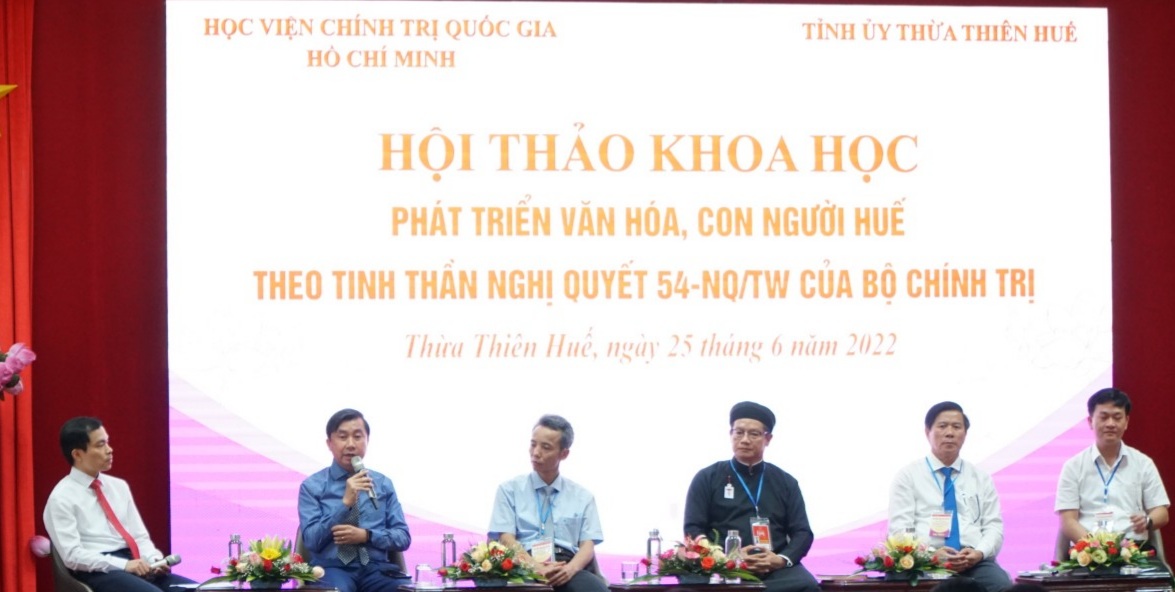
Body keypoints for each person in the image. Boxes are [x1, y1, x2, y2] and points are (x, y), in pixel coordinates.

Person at [43, 416, 196, 592]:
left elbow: (139, 536)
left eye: (107, 442)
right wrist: (123, 565)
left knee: (198, 589)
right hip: (98, 569)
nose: (109, 450)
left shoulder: (118, 486)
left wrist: (153, 560)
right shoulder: (61, 498)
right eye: (100, 445)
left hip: (134, 562)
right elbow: (72, 556)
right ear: (77, 454)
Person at [683, 401, 819, 592]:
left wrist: (780, 559)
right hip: (720, 566)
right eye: (739, 432)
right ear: (730, 434)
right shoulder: (707, 477)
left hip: (773, 568)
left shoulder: (786, 482)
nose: (745, 440)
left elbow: (802, 532)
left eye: (754, 434)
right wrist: (724, 559)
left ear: (768, 439)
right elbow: (693, 528)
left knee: (806, 586)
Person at [888, 401, 1011, 592]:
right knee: (899, 581)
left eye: (956, 427)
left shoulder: (981, 478)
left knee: (1001, 585)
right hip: (924, 561)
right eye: (942, 426)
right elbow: (901, 529)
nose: (950, 433)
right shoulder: (908, 476)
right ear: (927, 432)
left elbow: (993, 526)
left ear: (965, 434)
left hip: (972, 561)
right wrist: (930, 555)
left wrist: (979, 553)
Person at [488, 414, 607, 592]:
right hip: (523, 564)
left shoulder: (583, 497)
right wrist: (536, 568)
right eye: (533, 444)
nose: (536, 452)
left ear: (564, 454)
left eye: (546, 447)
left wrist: (569, 570)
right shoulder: (509, 490)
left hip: (567, 565)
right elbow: (506, 538)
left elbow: (587, 545)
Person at [299, 408, 412, 592]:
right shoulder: (312, 486)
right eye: (343, 437)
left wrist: (367, 535)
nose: (351, 444)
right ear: (329, 443)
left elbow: (403, 537)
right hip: (332, 569)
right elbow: (311, 540)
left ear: (367, 440)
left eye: (358, 436)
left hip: (377, 570)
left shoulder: (383, 484)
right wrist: (344, 505)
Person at [1055, 388, 1169, 546]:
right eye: (1104, 417)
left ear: (1126, 422)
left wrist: (1148, 520)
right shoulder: (1073, 466)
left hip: (1133, 549)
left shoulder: (1143, 463)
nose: (1110, 424)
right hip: (1088, 549)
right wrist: (1096, 547)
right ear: (1090, 421)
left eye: (1117, 417)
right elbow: (1068, 521)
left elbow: (1162, 513)